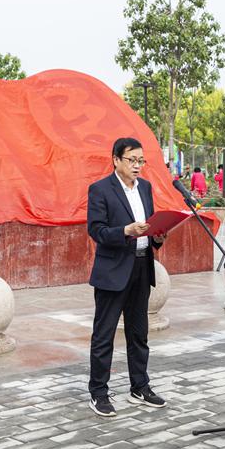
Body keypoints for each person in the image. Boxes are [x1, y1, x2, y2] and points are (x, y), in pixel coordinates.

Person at [87, 137, 167, 416]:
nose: (137, 166)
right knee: (104, 334)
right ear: (116, 160)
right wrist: (125, 231)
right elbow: (96, 230)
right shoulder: (100, 190)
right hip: (113, 270)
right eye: (132, 160)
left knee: (138, 333)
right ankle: (99, 392)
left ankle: (140, 386)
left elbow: (152, 223)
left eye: (141, 160)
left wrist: (158, 235)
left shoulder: (145, 187)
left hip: (142, 267)